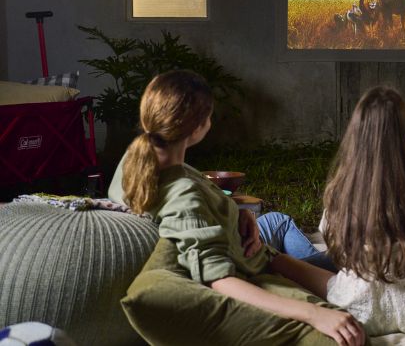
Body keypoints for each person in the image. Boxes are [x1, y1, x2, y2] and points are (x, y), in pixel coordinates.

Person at [109, 70, 366, 346]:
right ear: (198, 127)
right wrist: (313, 314)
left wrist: (235, 212)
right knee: (352, 264)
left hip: (252, 246)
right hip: (258, 261)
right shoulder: (186, 196)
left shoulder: (135, 161)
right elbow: (220, 280)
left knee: (281, 222)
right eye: (208, 116)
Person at [301, 86, 405, 336]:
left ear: (357, 134)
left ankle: (272, 260)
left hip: (359, 312)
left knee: (293, 262)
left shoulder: (342, 186)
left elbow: (331, 241)